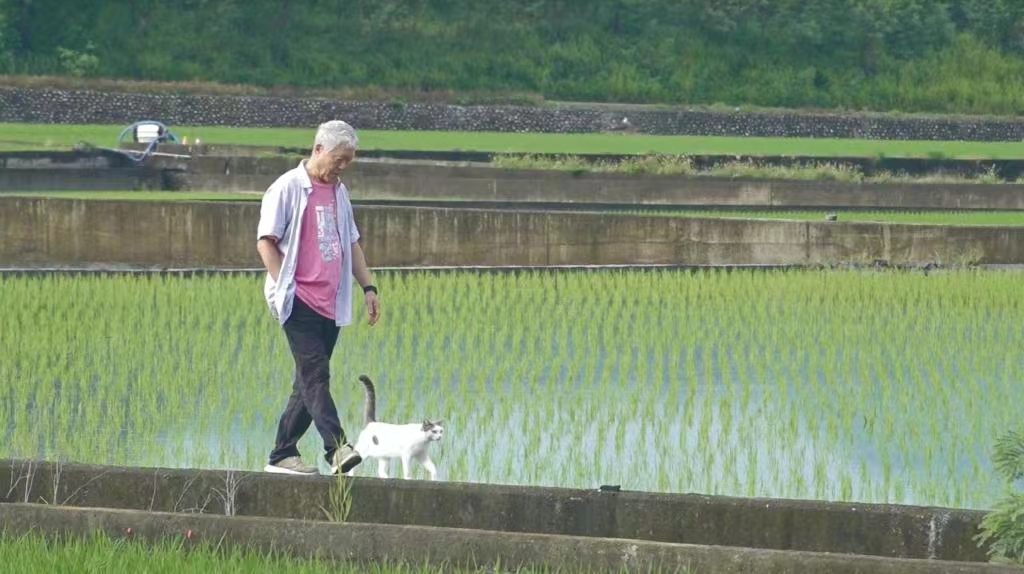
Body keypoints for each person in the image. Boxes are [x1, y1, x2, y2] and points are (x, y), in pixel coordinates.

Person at [255, 120, 381, 476]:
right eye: (340, 159)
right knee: (317, 374)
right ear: (319, 149)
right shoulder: (287, 188)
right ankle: (337, 448)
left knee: (306, 382)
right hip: (298, 302)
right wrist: (286, 288)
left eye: (349, 161)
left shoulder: (339, 192)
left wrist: (368, 287)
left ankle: (282, 454)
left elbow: (351, 242)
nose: (343, 166)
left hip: (331, 302)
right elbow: (265, 242)